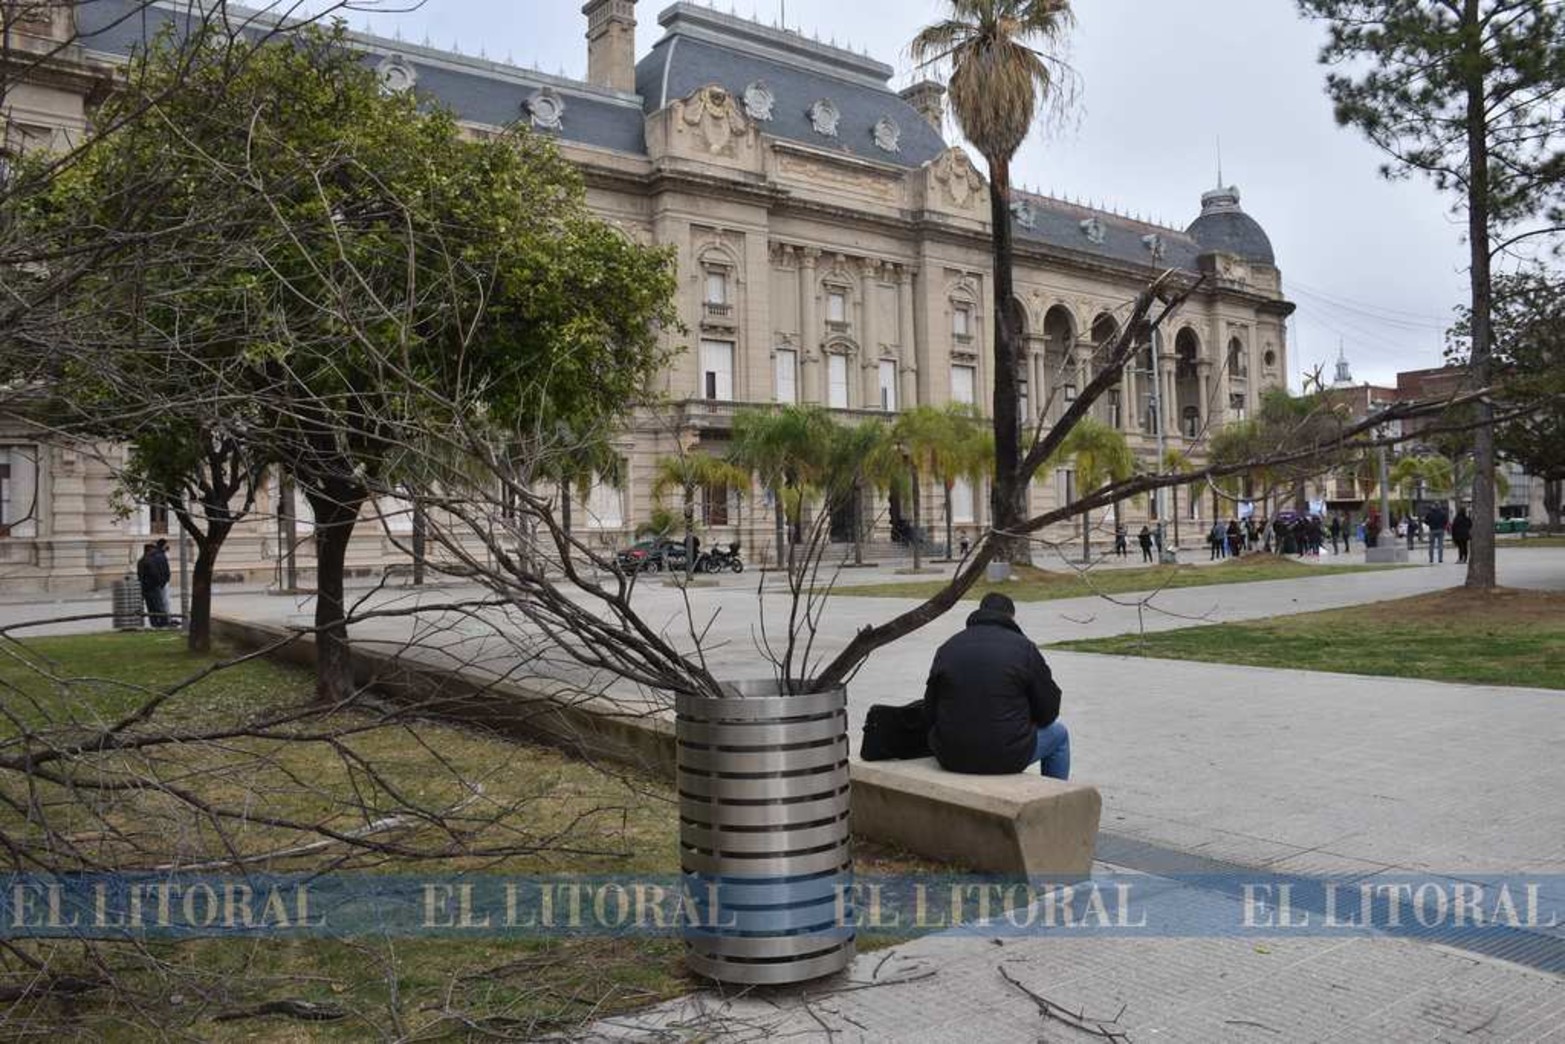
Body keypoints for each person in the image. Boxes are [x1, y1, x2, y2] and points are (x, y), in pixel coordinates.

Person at [924, 592, 1069, 780]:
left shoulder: (948, 647)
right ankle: (1056, 795)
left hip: (950, 755)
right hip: (1007, 756)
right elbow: (1048, 711)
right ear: (1011, 618)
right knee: (1059, 734)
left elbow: (929, 711)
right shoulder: (1024, 648)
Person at [136, 543, 168, 628]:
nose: (154, 552)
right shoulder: (150, 560)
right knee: (159, 605)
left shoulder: (141, 561)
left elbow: (139, 575)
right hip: (153, 586)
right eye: (153, 550)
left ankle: (154, 623)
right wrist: (160, 583)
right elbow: (154, 573)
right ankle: (164, 622)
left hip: (144, 587)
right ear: (149, 550)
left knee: (150, 606)